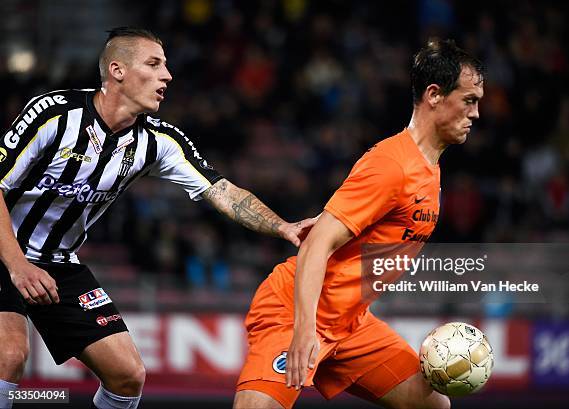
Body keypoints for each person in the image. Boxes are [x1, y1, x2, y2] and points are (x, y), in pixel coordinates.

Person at [0, 27, 316, 409]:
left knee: (128, 375)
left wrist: (283, 226)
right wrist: (17, 264)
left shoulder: (159, 141)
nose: (167, 75)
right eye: (154, 64)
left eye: (165, 65)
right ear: (117, 70)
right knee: (10, 356)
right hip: (4, 251)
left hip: (58, 262)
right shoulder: (54, 114)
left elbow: (223, 191)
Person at [233, 39, 484, 409]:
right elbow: (318, 243)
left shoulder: (429, 169)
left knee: (433, 405)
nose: (476, 113)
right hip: (294, 311)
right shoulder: (392, 163)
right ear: (434, 95)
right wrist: (303, 332)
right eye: (469, 100)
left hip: (350, 323)